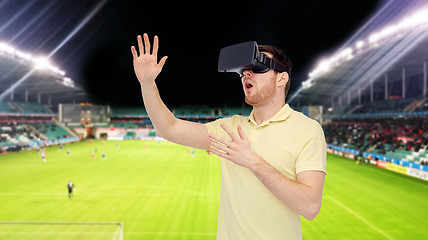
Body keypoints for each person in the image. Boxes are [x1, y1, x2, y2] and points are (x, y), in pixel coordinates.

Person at [131, 33, 326, 240]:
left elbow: (310, 206)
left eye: (257, 68)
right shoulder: (230, 128)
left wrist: (253, 162)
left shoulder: (307, 129)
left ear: (282, 78)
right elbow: (168, 128)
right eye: (243, 72)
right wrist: (147, 83)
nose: (247, 75)